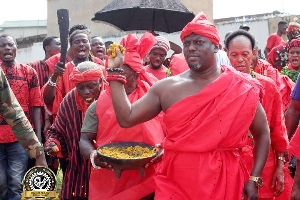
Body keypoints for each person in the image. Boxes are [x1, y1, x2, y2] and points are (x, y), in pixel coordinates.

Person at [105, 12, 270, 199]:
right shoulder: (166, 88)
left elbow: (263, 133)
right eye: (187, 44)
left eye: (198, 43)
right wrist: (114, 73)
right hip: (177, 180)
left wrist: (254, 178)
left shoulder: (241, 86)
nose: (191, 48)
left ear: (216, 47)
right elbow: (126, 118)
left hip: (225, 179)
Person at [80, 32, 165, 200]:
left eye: (121, 74)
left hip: (150, 178)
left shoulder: (155, 101)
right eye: (112, 74)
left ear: (135, 75)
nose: (114, 80)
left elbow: (173, 133)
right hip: (110, 178)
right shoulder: (98, 105)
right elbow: (85, 139)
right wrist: (94, 156)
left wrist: (164, 150)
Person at [225, 29, 290, 200]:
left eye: (245, 54)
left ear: (254, 53)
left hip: (264, 166)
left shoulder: (268, 86)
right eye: (234, 54)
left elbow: (278, 129)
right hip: (231, 166)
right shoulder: (219, 87)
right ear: (227, 55)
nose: (240, 60)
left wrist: (280, 167)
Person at [44, 61, 104, 200]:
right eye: (80, 87)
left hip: (103, 164)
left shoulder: (111, 97)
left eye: (91, 86)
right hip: (77, 164)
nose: (86, 92)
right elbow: (56, 131)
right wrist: (53, 143)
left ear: (100, 81)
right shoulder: (69, 99)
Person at [0, 34, 45, 199]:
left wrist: (37, 137)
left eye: (10, 45)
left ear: (16, 48)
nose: (6, 48)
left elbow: (36, 104)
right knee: (1, 183)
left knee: (16, 182)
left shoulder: (29, 72)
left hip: (21, 138)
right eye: (2, 45)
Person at [27, 36, 61, 173]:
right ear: (47, 48)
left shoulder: (61, 67)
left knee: (52, 154)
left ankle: (49, 186)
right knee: (33, 155)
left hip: (54, 121)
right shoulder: (32, 67)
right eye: (58, 44)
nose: (62, 47)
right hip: (34, 120)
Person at [252, 43, 294, 111]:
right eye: (235, 55)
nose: (242, 59)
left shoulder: (267, 69)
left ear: (258, 52)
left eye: (246, 54)